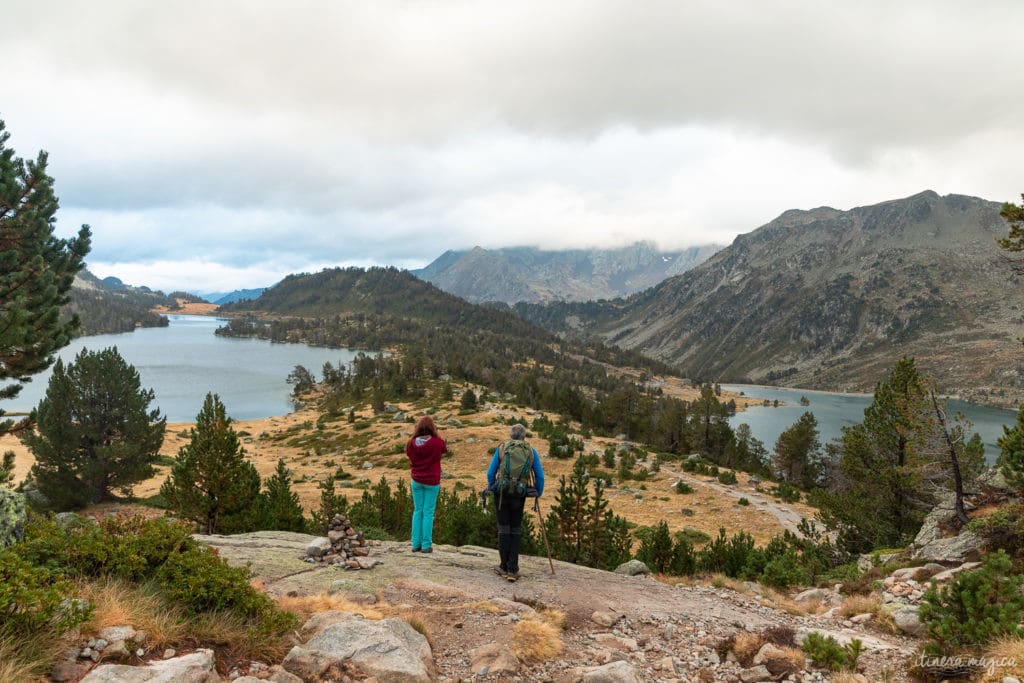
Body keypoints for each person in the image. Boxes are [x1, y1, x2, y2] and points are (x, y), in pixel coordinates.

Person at [486, 423, 544, 581]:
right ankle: (513, 569)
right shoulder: (531, 452)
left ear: (511, 436)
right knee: (515, 529)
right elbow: (540, 476)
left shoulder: (502, 448)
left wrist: (493, 486)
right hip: (519, 494)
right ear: (524, 436)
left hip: (502, 493)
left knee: (503, 529)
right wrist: (537, 491)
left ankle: (503, 566)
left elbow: (490, 472)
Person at [406, 415, 447, 553]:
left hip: (416, 480)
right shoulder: (437, 442)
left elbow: (408, 454)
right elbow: (444, 448)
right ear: (432, 427)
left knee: (418, 510)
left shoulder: (411, 443)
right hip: (432, 481)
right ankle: (426, 545)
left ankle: (415, 544)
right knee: (428, 512)